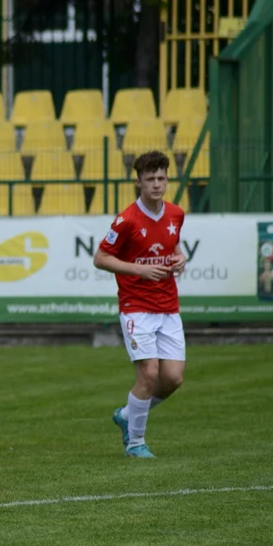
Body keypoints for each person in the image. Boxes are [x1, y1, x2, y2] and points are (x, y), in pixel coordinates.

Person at [93, 150, 187, 458]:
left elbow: (173, 245)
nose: (157, 185)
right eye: (150, 179)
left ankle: (126, 414)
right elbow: (101, 258)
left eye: (161, 178)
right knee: (148, 374)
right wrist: (140, 269)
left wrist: (179, 258)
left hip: (168, 306)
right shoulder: (126, 221)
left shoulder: (176, 214)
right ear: (139, 182)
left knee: (172, 379)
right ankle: (136, 443)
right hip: (136, 307)